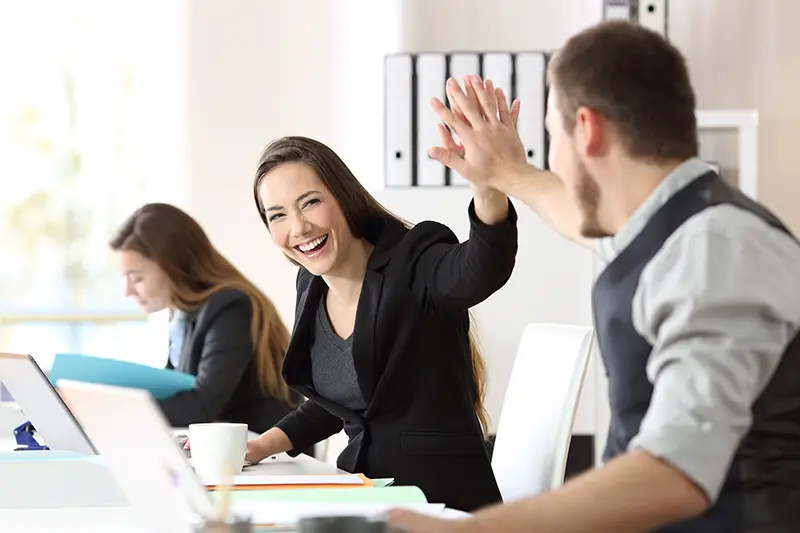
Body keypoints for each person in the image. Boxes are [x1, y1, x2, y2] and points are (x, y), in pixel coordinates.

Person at [388, 20, 800, 533]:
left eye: (550, 134)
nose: (551, 156)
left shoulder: (716, 247)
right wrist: (505, 172)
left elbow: (676, 472)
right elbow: (569, 209)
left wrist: (468, 530)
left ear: (587, 129)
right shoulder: (673, 231)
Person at [245, 135, 518, 512]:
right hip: (368, 502)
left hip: (441, 504)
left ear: (343, 197)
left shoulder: (414, 261)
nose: (299, 227)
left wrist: (488, 187)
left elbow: (481, 269)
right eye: (277, 215)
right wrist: (262, 445)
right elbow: (338, 401)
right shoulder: (310, 286)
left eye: (310, 203)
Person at [110, 203, 299, 434]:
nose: (127, 291)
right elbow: (174, 388)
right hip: (227, 449)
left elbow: (202, 405)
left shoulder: (230, 308)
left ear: (173, 266)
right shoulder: (183, 314)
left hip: (265, 452)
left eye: (136, 278)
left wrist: (115, 411)